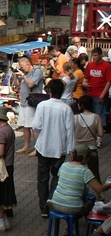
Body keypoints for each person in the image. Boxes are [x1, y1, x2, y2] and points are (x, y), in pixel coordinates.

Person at [32, 78, 76, 218]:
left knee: (42, 178)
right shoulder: (66, 108)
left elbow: (36, 126)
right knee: (56, 177)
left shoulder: (42, 106)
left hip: (43, 147)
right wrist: (71, 149)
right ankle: (52, 202)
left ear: (49, 91)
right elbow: (70, 130)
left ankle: (44, 207)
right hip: (59, 149)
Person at [47, 144, 111, 218]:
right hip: (73, 207)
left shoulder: (64, 165)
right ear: (84, 157)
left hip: (56, 203)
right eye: (89, 157)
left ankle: (69, 224)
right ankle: (89, 226)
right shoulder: (84, 171)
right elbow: (100, 188)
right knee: (90, 203)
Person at [14, 56, 45, 154]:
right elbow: (17, 85)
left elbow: (31, 84)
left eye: (22, 67)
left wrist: (23, 75)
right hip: (23, 102)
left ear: (28, 65)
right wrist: (16, 75)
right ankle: (26, 146)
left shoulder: (37, 72)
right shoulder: (24, 74)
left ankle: (38, 148)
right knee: (25, 126)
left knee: (33, 126)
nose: (21, 69)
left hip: (32, 103)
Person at [74, 95, 104, 189]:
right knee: (94, 172)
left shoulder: (75, 117)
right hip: (92, 149)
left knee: (76, 172)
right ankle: (98, 194)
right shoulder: (97, 117)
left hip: (78, 149)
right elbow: (101, 134)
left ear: (81, 105)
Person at [84, 47, 111, 128]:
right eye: (93, 56)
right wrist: (84, 84)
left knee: (99, 116)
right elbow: (86, 78)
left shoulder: (107, 66)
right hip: (90, 93)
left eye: (95, 55)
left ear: (100, 55)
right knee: (90, 115)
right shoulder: (90, 64)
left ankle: (99, 136)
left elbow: (108, 82)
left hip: (99, 94)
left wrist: (102, 95)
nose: (94, 57)